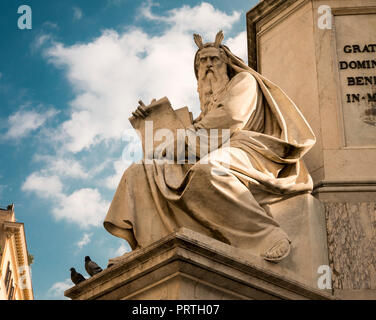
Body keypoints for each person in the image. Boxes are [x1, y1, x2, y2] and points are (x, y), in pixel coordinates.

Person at [104, 31, 316, 262]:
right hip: (209, 149)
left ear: (226, 63)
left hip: (250, 148)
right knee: (138, 172)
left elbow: (230, 118)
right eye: (202, 62)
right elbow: (192, 132)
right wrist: (152, 121)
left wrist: (183, 140)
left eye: (213, 59)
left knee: (209, 170)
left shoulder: (244, 82)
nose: (208, 65)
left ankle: (267, 235)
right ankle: (150, 245)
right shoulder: (205, 110)